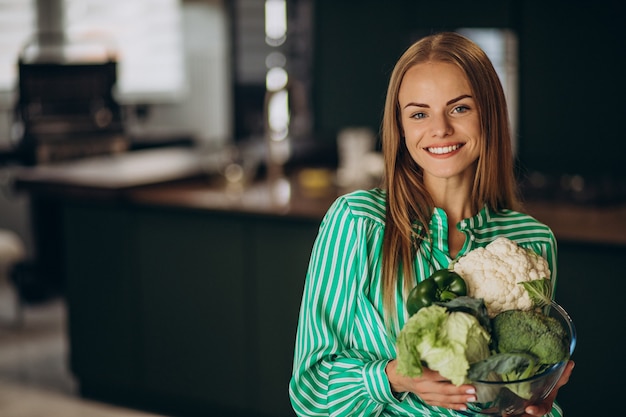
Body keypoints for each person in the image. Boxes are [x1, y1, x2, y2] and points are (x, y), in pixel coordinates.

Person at [288, 32, 574, 417]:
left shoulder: (532, 241)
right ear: (401, 127)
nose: (439, 129)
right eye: (419, 113)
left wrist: (536, 399)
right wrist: (395, 377)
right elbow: (311, 391)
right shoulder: (358, 222)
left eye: (459, 109)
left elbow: (521, 390)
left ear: (489, 113)